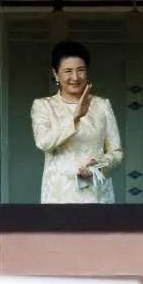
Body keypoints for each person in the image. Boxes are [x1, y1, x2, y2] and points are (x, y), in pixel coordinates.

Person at [31, 40, 123, 204]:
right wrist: (75, 117)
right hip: (58, 196)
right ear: (56, 74)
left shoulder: (102, 105)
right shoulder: (44, 106)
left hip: (97, 196)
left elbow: (116, 153)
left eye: (81, 70)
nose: (75, 77)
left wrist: (97, 166)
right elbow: (44, 142)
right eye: (68, 71)